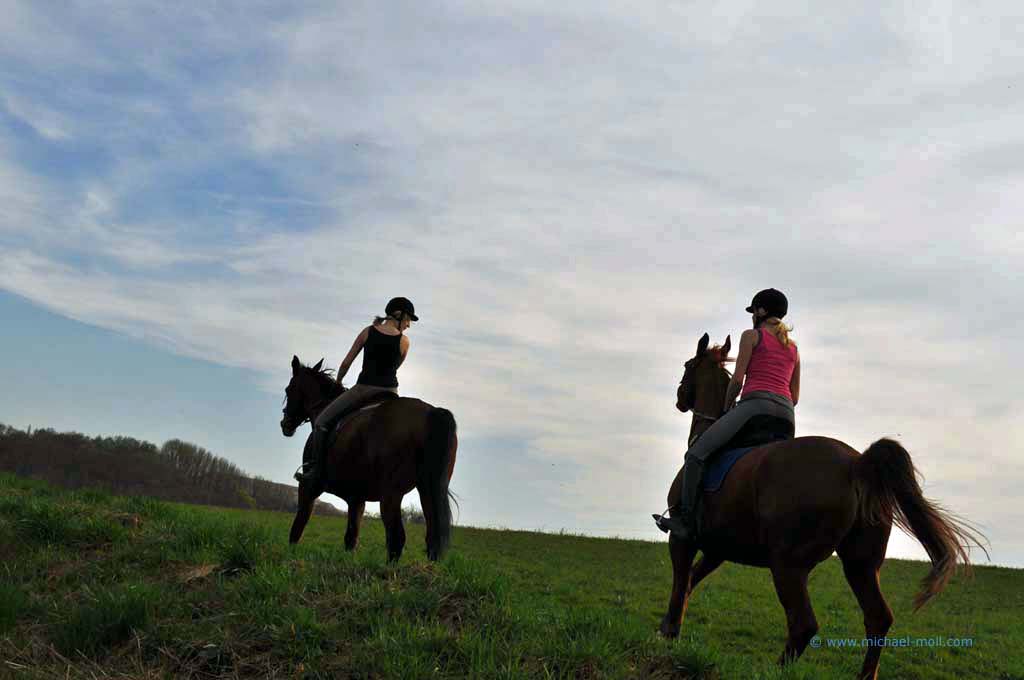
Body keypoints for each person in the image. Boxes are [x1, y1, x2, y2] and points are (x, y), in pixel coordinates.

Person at [655, 288, 800, 540]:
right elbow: (794, 396)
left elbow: (737, 380)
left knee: (696, 454)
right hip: (786, 417)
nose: (752, 316)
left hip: (755, 407)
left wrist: (727, 406)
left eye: (753, 311)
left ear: (761, 311)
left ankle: (685, 521)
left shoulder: (751, 336)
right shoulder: (794, 349)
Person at [294, 297, 417, 485]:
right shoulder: (404, 342)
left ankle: (315, 471)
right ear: (398, 315)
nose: (408, 325)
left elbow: (346, 364)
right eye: (408, 319)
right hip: (391, 393)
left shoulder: (368, 332)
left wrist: (338, 382)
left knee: (320, 422)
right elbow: (395, 367)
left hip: (363, 389)